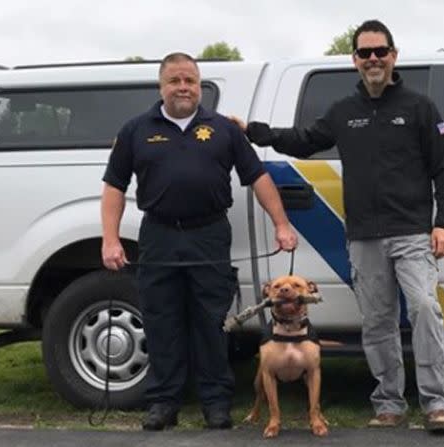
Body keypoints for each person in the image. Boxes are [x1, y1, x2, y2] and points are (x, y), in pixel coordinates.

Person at [231, 20, 444, 433]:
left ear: (393, 56)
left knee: (425, 309)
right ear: (355, 60)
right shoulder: (343, 112)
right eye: (365, 53)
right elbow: (302, 139)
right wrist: (252, 132)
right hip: (364, 235)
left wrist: (443, 223)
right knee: (377, 320)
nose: (373, 59)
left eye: (380, 51)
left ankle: (435, 403)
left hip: (410, 231)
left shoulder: (419, 107)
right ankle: (389, 403)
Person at [101, 52, 297, 431]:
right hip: (158, 234)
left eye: (190, 80)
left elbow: (257, 177)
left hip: (209, 234)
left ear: (200, 84)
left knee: (211, 321)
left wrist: (282, 224)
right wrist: (110, 239)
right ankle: (163, 401)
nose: (183, 87)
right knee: (161, 320)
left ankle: (215, 401)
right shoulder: (136, 130)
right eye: (174, 80)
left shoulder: (223, 129)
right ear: (161, 86)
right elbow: (114, 186)